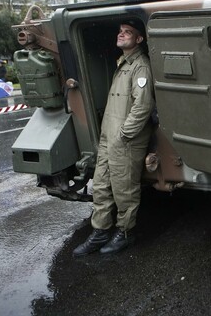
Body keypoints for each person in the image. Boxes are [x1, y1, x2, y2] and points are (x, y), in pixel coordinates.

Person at [73, 19, 154, 256]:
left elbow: (143, 105)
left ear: (138, 40)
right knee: (101, 186)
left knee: (124, 189)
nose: (121, 35)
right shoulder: (123, 63)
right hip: (110, 136)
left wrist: (124, 134)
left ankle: (125, 233)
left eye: (128, 32)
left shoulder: (141, 66)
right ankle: (99, 232)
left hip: (125, 139)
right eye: (120, 32)